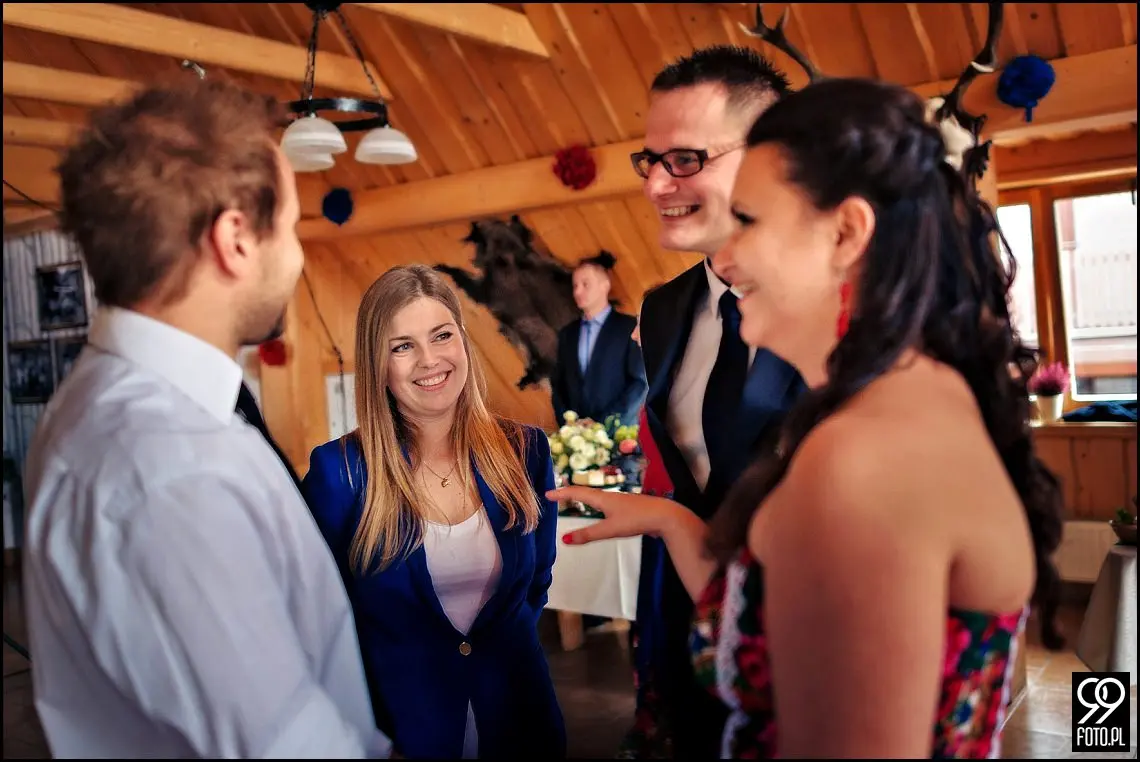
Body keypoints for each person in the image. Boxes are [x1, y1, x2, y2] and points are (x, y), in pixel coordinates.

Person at [549, 77, 1066, 758]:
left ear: (846, 233)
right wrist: (667, 517)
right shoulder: (914, 396)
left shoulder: (863, 456)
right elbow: (788, 623)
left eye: (750, 222)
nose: (724, 259)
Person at [20, 77, 391, 758]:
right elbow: (286, 744)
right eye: (291, 227)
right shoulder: (168, 467)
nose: (300, 254)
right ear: (236, 240)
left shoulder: (108, 400)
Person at [301, 264, 565, 760]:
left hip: (521, 717)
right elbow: (320, 620)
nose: (429, 360)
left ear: (463, 341)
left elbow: (537, 580)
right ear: (378, 364)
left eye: (441, 336)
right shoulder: (339, 473)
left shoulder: (525, 450)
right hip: (403, 729)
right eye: (402, 346)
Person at [627, 45, 807, 758]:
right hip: (692, 628)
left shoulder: (852, 317)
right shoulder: (664, 309)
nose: (655, 186)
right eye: (650, 161)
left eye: (686, 158)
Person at [550, 255, 647, 430]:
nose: (577, 292)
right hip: (575, 441)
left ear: (605, 285)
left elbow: (640, 383)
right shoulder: (567, 334)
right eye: (575, 286)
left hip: (619, 438)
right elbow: (558, 385)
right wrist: (570, 426)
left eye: (585, 284)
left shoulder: (630, 328)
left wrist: (601, 425)